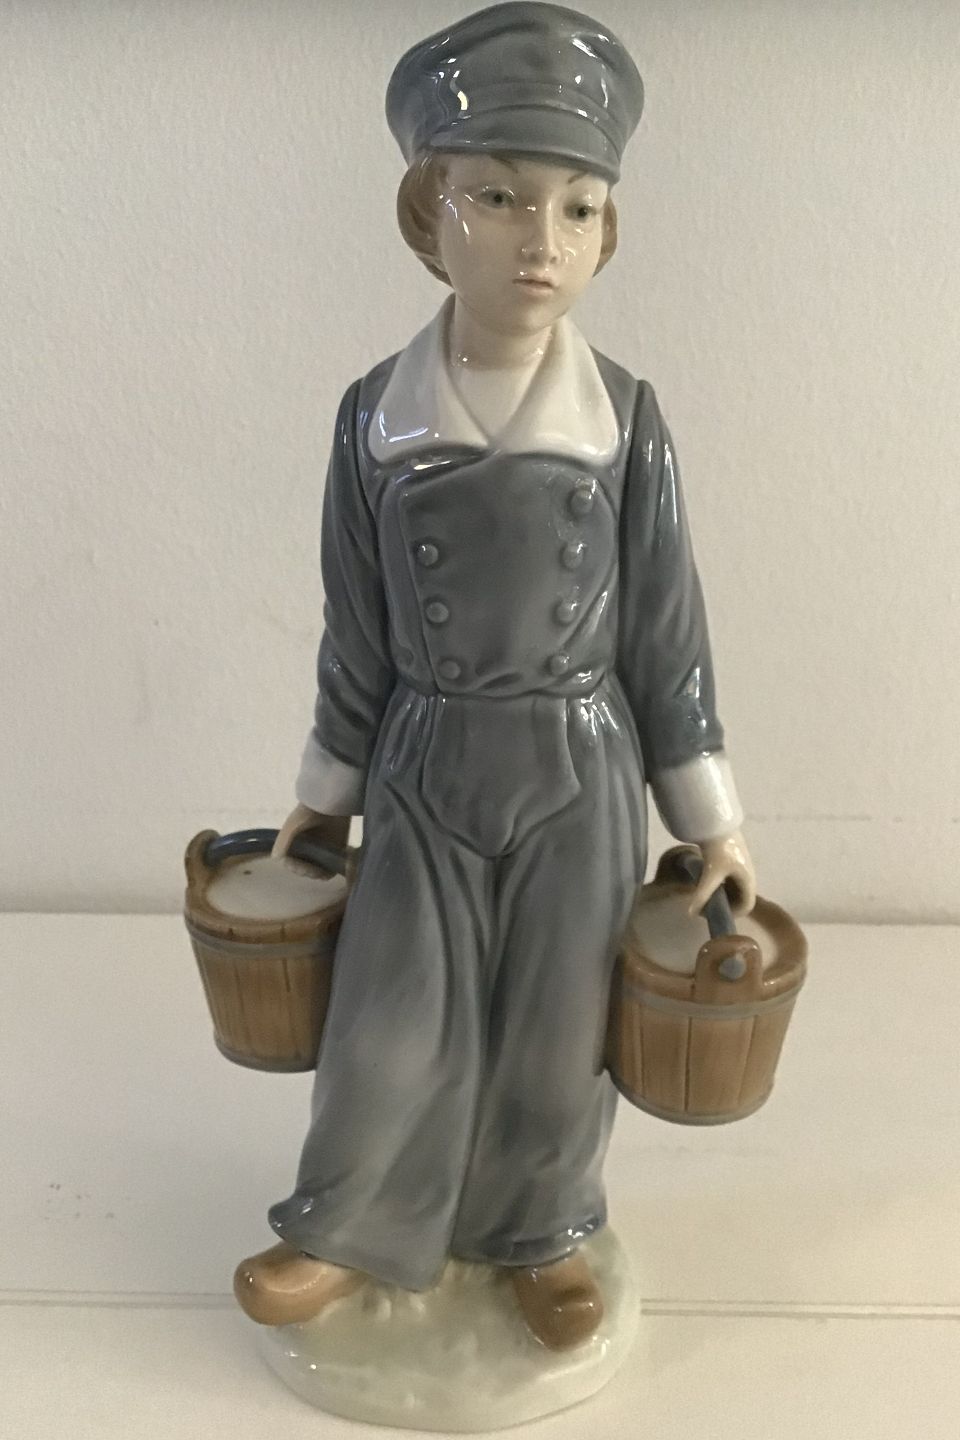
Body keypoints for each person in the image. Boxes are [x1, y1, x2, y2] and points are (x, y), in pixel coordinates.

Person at [233, 1, 756, 1352]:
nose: (543, 240)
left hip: (579, 762)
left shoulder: (626, 419)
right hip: (426, 756)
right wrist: (326, 789)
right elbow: (357, 626)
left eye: (578, 208)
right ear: (431, 212)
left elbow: (668, 630)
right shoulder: (374, 415)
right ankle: (348, 1222)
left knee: (556, 1016)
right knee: (390, 1007)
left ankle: (544, 1228)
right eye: (502, 197)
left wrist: (709, 817)